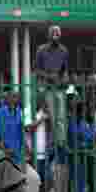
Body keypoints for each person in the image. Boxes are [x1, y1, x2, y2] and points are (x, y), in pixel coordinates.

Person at [35, 26, 70, 154]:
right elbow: (37, 70)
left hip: (60, 86)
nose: (55, 34)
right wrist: (49, 76)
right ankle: (54, 142)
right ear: (48, 35)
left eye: (57, 33)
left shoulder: (64, 50)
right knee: (51, 115)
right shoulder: (41, 50)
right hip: (47, 86)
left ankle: (61, 142)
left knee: (61, 116)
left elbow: (65, 69)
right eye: (53, 32)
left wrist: (65, 78)